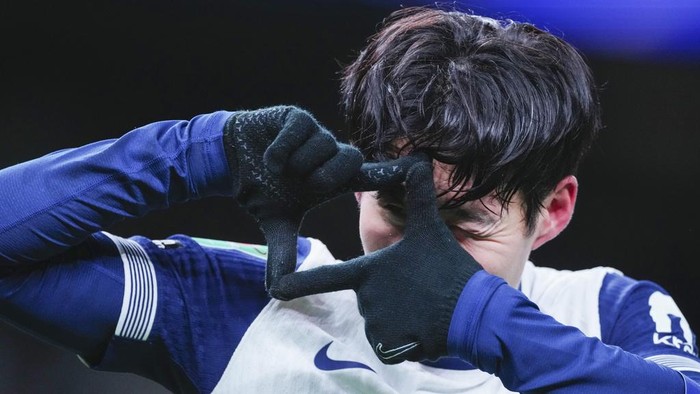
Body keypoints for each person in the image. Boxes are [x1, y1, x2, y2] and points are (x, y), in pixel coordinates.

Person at [1, 6, 699, 393]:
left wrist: (481, 320)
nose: (421, 253)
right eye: (398, 208)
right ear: (362, 179)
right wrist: (193, 151)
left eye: (464, 225)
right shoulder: (256, 306)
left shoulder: (609, 314)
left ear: (552, 212)